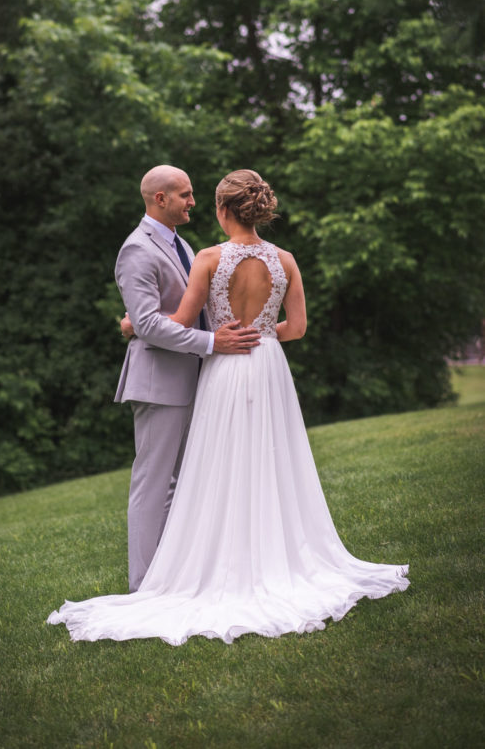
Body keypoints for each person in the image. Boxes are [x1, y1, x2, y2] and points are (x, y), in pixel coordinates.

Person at [47, 170, 409, 644]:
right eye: (184, 194)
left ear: (224, 209)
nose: (193, 203)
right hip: (266, 365)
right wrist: (257, 333)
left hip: (222, 367)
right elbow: (296, 327)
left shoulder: (208, 256)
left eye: (201, 198)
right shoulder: (285, 259)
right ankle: (261, 562)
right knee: (267, 465)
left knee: (213, 470)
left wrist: (132, 325)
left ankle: (194, 573)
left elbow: (172, 321)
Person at [112, 165, 260, 590]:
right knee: (154, 484)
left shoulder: (183, 245)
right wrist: (213, 343)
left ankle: (171, 575)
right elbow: (149, 325)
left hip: (195, 378)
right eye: (185, 194)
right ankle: (143, 586)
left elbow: (183, 309)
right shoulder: (136, 250)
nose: (194, 202)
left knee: (182, 483)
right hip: (160, 382)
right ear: (160, 199)